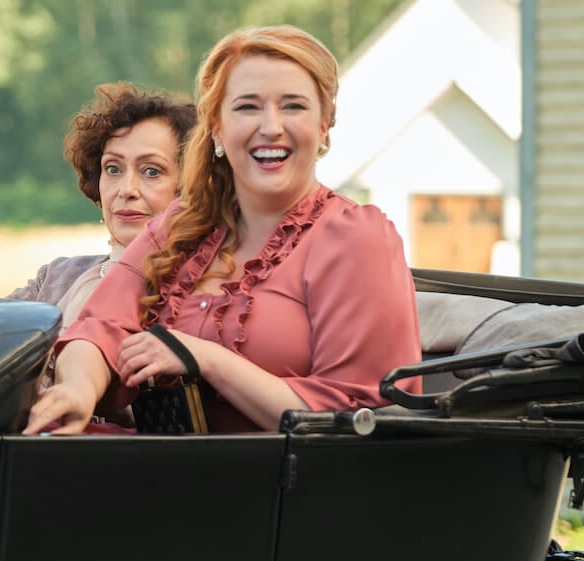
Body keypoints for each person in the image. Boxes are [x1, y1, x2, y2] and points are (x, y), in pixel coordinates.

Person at [23, 25, 422, 436]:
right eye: (248, 107)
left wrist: (206, 358)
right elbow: (101, 327)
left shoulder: (356, 238)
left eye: (293, 107)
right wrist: (78, 389)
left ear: (324, 125)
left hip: (284, 482)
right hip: (165, 468)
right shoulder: (184, 224)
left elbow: (361, 418)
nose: (271, 126)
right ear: (216, 127)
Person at [8, 83, 197, 328]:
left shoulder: (202, 295)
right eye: (113, 169)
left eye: (151, 171)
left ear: (192, 183)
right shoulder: (55, 278)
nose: (126, 190)